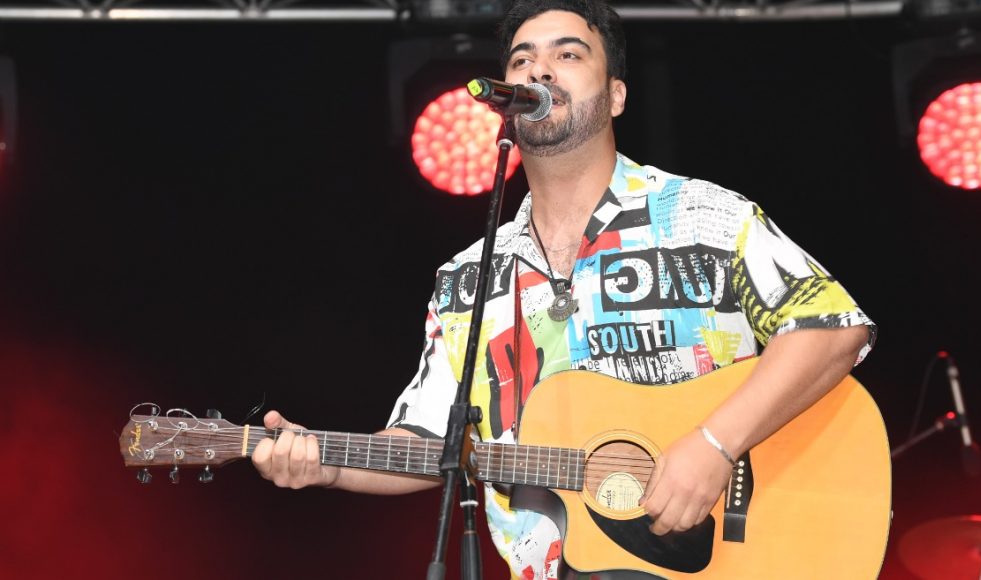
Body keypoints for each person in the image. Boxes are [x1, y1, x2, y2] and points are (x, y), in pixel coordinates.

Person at [252, 0, 875, 577]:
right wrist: (325, 464)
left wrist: (714, 445)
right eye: (522, 59)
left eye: (568, 54)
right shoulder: (467, 278)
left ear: (617, 95)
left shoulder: (702, 218)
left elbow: (833, 330)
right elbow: (430, 443)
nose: (539, 69)